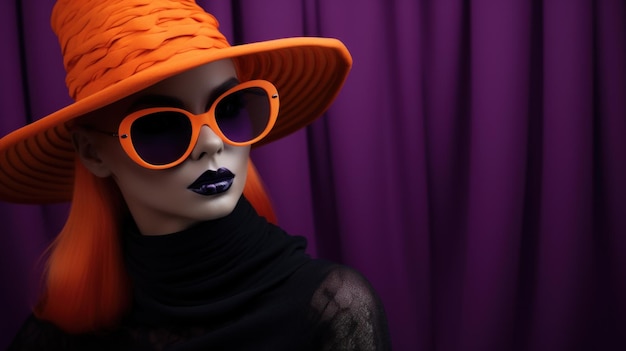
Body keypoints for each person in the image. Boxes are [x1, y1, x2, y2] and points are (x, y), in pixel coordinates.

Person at [1, 0, 391, 350]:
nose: (211, 143)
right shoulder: (59, 334)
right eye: (160, 127)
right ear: (92, 152)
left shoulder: (330, 307)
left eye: (229, 108)